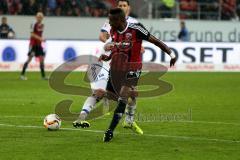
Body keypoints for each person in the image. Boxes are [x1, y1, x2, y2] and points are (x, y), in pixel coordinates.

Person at [101, 8, 176, 142]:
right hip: (117, 67)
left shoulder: (136, 29)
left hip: (133, 68)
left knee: (123, 98)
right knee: (111, 95)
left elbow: (156, 41)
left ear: (120, 20)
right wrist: (108, 57)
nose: (109, 24)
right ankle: (129, 112)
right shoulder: (113, 30)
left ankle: (110, 130)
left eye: (112, 21)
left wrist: (171, 53)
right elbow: (117, 47)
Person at [72, 0, 143, 135]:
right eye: (120, 5)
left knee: (133, 93)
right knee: (99, 92)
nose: (122, 7)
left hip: (123, 65)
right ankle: (81, 118)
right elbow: (102, 36)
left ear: (129, 8)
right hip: (105, 63)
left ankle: (129, 120)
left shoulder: (135, 23)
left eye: (124, 5)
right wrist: (113, 43)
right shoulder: (111, 21)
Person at [20, 12, 48, 80]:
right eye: (38, 17)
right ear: (36, 17)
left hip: (39, 45)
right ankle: (22, 75)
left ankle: (43, 76)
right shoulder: (33, 24)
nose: (40, 18)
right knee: (29, 59)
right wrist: (41, 39)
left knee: (42, 59)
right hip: (33, 44)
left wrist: (42, 40)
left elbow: (39, 34)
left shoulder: (42, 25)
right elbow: (32, 34)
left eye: (41, 17)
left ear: (42, 18)